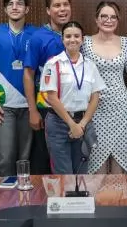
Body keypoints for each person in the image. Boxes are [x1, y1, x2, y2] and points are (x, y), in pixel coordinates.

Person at [0, 0, 37, 177]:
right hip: (3, 104)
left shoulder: (36, 34)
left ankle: (23, 200)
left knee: (25, 159)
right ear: (5, 9)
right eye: (10, 3)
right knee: (5, 158)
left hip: (30, 105)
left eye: (19, 3)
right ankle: (6, 200)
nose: (15, 7)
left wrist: (35, 107)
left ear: (27, 8)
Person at [41, 21, 105, 174]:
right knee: (64, 174)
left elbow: (95, 97)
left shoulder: (90, 65)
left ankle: (79, 199)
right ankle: (62, 199)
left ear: (82, 39)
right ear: (62, 40)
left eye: (76, 36)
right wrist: (71, 124)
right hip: (58, 123)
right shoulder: (53, 64)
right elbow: (51, 97)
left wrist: (81, 124)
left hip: (82, 123)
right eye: (68, 36)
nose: (72, 40)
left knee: (80, 173)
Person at [24, 0, 72, 174]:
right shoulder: (38, 37)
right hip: (46, 108)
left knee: (68, 158)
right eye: (57, 5)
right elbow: (28, 74)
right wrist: (33, 110)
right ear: (48, 10)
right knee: (46, 158)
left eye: (65, 5)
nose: (62, 9)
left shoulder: (75, 33)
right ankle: (48, 201)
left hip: (71, 107)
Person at [82, 1, 127, 173]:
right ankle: (98, 199)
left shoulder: (125, 43)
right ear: (96, 19)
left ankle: (118, 199)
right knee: (97, 157)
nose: (108, 20)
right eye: (104, 16)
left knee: (119, 157)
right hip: (94, 107)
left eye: (113, 17)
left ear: (118, 21)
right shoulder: (85, 42)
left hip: (119, 107)